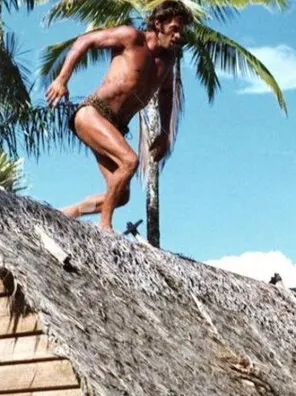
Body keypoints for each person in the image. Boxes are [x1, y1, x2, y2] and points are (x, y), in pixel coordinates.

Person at [44, 1, 192, 233]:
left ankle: (67, 214)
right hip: (92, 114)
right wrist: (62, 79)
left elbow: (166, 94)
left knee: (120, 194)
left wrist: (164, 134)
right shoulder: (131, 37)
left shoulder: (168, 61)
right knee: (130, 162)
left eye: (182, 30)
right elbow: (86, 41)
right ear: (158, 24)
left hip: (115, 126)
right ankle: (105, 226)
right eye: (174, 28)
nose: (178, 35)